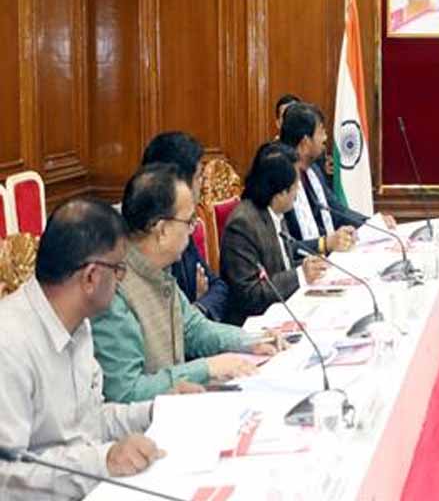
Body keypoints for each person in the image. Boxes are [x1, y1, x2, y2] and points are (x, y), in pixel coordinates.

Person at [0, 200, 163, 501]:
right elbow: (5, 478)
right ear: (91, 276)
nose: (121, 282)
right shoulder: (9, 343)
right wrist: (102, 463)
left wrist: (156, 411)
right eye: (119, 270)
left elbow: (89, 422)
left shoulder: (79, 324)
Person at [92, 164, 278, 402]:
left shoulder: (158, 270)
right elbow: (127, 392)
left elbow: (193, 329)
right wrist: (207, 368)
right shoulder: (113, 287)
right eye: (189, 221)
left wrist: (251, 341)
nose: (192, 231)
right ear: (161, 230)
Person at [220, 142, 330, 326]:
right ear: (280, 193)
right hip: (254, 324)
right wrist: (300, 275)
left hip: (284, 310)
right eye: (295, 186)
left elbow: (281, 264)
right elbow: (250, 294)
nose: (298, 192)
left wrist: (311, 265)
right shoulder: (243, 224)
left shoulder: (275, 212)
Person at [141, 131, 229, 320]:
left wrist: (198, 308)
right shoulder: (138, 241)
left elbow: (219, 287)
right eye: (198, 177)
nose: (202, 185)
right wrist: (190, 316)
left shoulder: (181, 226)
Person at [279, 103, 368, 249]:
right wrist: (324, 244)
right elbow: (281, 247)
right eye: (321, 132)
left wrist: (372, 224)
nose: (325, 138)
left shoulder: (313, 170)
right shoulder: (280, 179)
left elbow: (337, 211)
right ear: (305, 142)